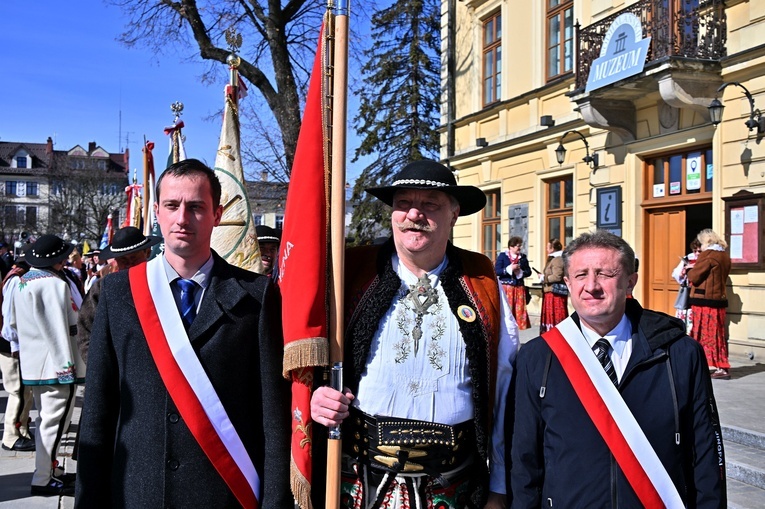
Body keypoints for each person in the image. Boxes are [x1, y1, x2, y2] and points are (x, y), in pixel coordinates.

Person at [75, 159, 291, 508]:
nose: (182, 218)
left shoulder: (256, 295)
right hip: (137, 493)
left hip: (224, 494)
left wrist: (275, 501)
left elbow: (272, 417)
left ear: (217, 214)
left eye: (196, 207)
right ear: (156, 212)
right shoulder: (117, 295)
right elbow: (98, 412)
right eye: (172, 206)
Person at [310, 160, 519, 509]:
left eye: (430, 205)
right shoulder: (350, 272)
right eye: (404, 203)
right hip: (358, 482)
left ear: (453, 214)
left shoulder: (481, 281)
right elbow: (306, 352)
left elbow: (504, 386)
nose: (413, 214)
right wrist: (317, 395)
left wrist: (498, 488)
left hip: (454, 486)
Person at [510, 230, 725, 508]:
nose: (591, 286)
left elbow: (706, 453)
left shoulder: (679, 353)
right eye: (580, 275)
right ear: (567, 282)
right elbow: (524, 459)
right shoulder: (537, 356)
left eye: (605, 274)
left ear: (629, 282)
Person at [9, 235, 84, 496]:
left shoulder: (22, 282)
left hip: (36, 363)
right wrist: (66, 367)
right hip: (55, 366)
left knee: (47, 422)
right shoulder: (52, 284)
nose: (64, 262)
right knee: (53, 424)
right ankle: (44, 478)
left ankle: (51, 471)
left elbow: (14, 324)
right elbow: (57, 329)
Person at [76, 226, 160, 364]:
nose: (128, 264)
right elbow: (85, 332)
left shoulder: (160, 283)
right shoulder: (102, 288)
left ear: (147, 252)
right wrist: (98, 367)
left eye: (133, 258)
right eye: (123, 260)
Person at [687, 229, 732, 380]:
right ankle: (722, 366)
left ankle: (701, 363)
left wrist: (689, 270)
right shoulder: (724, 255)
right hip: (718, 299)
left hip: (704, 300)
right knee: (718, 334)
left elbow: (694, 276)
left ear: (706, 241)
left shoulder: (708, 255)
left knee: (702, 333)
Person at [0, 256, 34, 453]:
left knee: (24, 392)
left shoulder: (19, 276)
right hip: (10, 345)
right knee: (17, 391)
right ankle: (11, 436)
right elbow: (10, 317)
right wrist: (16, 345)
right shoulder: (16, 279)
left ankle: (21, 430)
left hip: (14, 344)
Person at [495, 236, 532, 329]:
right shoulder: (503, 256)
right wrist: (508, 269)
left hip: (519, 288)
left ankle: (516, 332)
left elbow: (529, 272)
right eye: (517, 246)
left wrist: (521, 272)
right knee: (507, 312)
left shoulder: (523, 258)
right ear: (511, 247)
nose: (519, 248)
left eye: (520, 246)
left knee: (519, 313)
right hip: (507, 288)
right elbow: (496, 271)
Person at [672, 238, 702, 333]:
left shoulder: (706, 260)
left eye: (700, 251)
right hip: (688, 292)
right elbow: (677, 274)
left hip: (700, 293)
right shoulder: (688, 258)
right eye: (695, 250)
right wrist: (685, 270)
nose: (697, 253)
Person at [539, 238, 568, 334]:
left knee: (556, 316)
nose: (546, 249)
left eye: (548, 247)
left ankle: (557, 335)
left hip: (555, 294)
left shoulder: (558, 259)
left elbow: (557, 276)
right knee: (550, 317)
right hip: (549, 292)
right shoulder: (553, 258)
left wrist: (544, 278)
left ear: (553, 248)